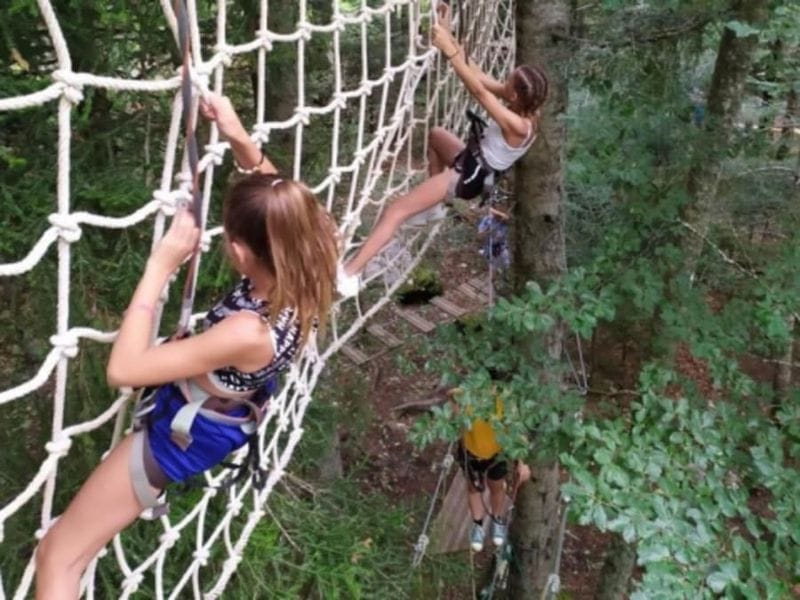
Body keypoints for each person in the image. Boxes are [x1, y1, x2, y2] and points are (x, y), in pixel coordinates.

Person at [34, 94, 339, 600]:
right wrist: (238, 134)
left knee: (58, 556)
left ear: (240, 252)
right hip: (222, 409)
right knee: (76, 550)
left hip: (175, 439)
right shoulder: (316, 255)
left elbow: (125, 368)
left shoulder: (248, 330)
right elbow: (284, 200)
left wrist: (162, 263)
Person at [337, 4, 548, 296]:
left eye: (509, 82)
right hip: (474, 160)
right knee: (436, 135)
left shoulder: (520, 126)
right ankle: (434, 206)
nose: (505, 83)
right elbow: (479, 75)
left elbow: (479, 91)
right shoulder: (526, 108)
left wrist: (448, 51)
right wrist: (446, 33)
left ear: (515, 95)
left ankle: (349, 275)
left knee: (395, 211)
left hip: (470, 175)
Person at [450, 388, 531, 552]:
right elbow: (455, 413)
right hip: (470, 452)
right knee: (473, 489)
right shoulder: (466, 393)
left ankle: (497, 520)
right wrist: (455, 399)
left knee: (497, 486)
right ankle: (477, 525)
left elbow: (517, 430)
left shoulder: (506, 399)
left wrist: (522, 462)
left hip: (496, 453)